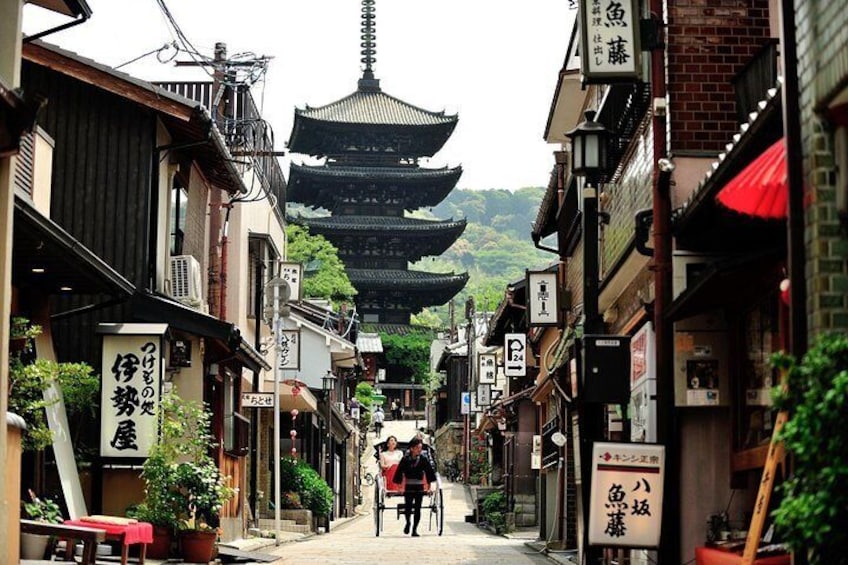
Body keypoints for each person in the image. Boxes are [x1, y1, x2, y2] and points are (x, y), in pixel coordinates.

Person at [392, 437, 436, 537]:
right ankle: (408, 522)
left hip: (419, 486)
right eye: (417, 448)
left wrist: (429, 487)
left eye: (420, 448)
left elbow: (429, 473)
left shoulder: (423, 459)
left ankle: (415, 529)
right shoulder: (405, 459)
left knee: (417, 508)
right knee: (408, 507)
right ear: (411, 448)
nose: (419, 450)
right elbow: (399, 473)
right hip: (408, 485)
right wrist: (399, 487)